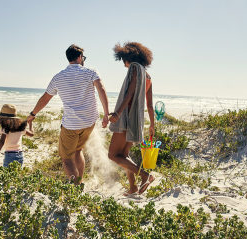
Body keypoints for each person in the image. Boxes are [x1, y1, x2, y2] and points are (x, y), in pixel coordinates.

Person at [27, 44, 109, 185]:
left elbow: (45, 98)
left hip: (71, 124)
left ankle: (75, 186)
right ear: (79, 57)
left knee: (66, 158)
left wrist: (33, 113)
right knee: (78, 150)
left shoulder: (58, 77)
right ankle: (79, 181)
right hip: (89, 123)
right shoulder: (91, 72)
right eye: (83, 57)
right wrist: (106, 114)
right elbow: (101, 89)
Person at [108, 42, 155, 195]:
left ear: (129, 57)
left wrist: (117, 113)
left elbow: (130, 92)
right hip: (137, 121)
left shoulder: (134, 67)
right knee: (124, 156)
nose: (124, 65)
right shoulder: (147, 76)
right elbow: (150, 105)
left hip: (127, 118)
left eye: (124, 61)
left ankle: (146, 176)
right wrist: (152, 125)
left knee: (113, 155)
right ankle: (133, 188)